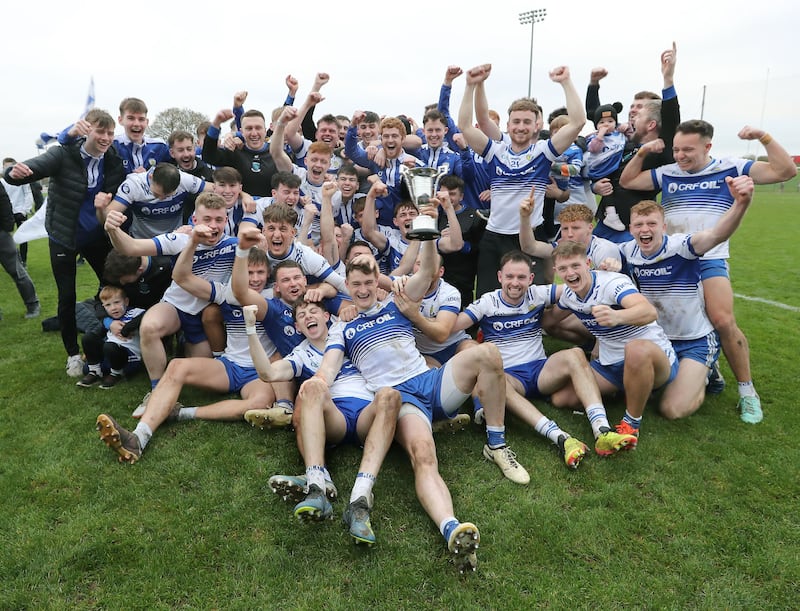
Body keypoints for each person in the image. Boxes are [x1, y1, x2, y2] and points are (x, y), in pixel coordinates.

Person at [312, 231, 530, 572]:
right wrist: (317, 386)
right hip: (401, 400)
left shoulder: (395, 302)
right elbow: (328, 365)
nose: (364, 289)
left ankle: (497, 444)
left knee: (486, 353)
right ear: (347, 286)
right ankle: (451, 527)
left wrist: (428, 229)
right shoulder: (344, 327)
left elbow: (427, 273)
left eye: (369, 281)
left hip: (431, 380)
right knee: (424, 456)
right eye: (356, 284)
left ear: (377, 281)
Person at [619, 119, 796, 423]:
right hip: (671, 257)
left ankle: (746, 391)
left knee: (723, 320)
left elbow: (786, 171)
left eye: (688, 149)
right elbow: (629, 181)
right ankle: (696, 368)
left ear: (708, 146)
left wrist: (763, 136)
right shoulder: (668, 173)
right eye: (676, 149)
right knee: (666, 317)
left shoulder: (731, 166)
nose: (680, 156)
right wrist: (643, 152)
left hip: (708, 255)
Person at [239, 286, 401, 546]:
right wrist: (249, 329)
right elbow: (268, 373)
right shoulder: (301, 353)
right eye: (301, 316)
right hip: (334, 416)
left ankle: (359, 500)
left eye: (313, 311)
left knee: (390, 395)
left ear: (327, 317)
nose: (308, 317)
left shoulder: (348, 330)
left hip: (366, 416)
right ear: (298, 327)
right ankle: (316, 487)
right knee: (313, 386)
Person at [95, 239, 276, 464]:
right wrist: (192, 241)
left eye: (260, 272)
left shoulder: (279, 294)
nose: (256, 278)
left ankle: (181, 413)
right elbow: (182, 277)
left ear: (269, 273)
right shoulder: (226, 292)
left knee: (258, 405)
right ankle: (138, 438)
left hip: (259, 373)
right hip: (229, 366)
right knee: (176, 366)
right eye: (249, 272)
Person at [454, 250, 635, 465]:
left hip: (541, 371)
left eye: (521, 277)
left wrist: (601, 272)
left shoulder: (537, 294)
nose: (515, 283)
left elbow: (576, 283)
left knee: (576, 354)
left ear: (531, 279)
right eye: (510, 276)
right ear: (500, 277)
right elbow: (452, 327)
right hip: (511, 377)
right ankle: (560, 437)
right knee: (497, 382)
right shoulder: (487, 302)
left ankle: (602, 431)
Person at [618, 175, 756, 419]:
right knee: (636, 388)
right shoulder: (626, 251)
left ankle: (707, 372)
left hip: (695, 339)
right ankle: (686, 375)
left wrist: (741, 203)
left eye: (651, 223)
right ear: (631, 229)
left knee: (672, 409)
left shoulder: (682, 246)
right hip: (659, 338)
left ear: (664, 227)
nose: (644, 229)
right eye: (638, 225)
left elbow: (716, 235)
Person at [4, 108, 125, 376]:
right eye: (100, 131)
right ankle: (72, 354)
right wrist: (15, 171)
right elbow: (25, 170)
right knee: (67, 295)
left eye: (109, 132)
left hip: (95, 235)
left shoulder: (112, 157)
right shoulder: (64, 154)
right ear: (86, 131)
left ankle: (114, 334)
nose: (105, 137)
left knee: (115, 282)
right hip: (64, 237)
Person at [457, 63, 586, 295]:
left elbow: (578, 122)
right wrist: (470, 86)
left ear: (537, 125)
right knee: (488, 297)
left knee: (530, 302)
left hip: (529, 237)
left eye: (527, 122)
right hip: (494, 235)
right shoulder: (496, 151)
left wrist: (566, 82)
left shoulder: (543, 152)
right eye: (516, 122)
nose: (521, 127)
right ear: (507, 126)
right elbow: (467, 125)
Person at [103, 192, 238, 414]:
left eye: (219, 220)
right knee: (150, 325)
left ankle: (183, 345)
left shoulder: (233, 245)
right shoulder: (180, 240)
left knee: (204, 378)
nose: (213, 226)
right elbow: (131, 248)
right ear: (194, 220)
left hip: (204, 317)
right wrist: (112, 230)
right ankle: (157, 391)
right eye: (207, 220)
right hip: (175, 307)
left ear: (226, 220)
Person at [549, 241, 679, 447]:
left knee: (635, 348)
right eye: (563, 268)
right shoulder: (569, 295)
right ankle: (629, 388)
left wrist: (617, 316)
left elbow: (649, 312)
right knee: (562, 399)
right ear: (556, 271)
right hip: (612, 362)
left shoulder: (612, 282)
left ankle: (631, 422)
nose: (570, 272)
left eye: (575, 265)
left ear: (588, 263)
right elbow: (548, 321)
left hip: (653, 359)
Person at [585, 42, 680, 243]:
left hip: (634, 231)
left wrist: (668, 79)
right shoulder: (625, 143)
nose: (632, 116)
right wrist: (595, 187)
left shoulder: (661, 150)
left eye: (639, 114)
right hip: (604, 226)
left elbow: (671, 120)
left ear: (652, 124)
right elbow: (597, 116)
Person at [58, 97, 170, 174]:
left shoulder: (160, 146)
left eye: (141, 119)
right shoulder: (111, 145)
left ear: (147, 122)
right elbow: (66, 142)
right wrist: (71, 132)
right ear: (120, 120)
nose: (136, 124)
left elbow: (175, 166)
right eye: (131, 118)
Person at [97, 162, 208, 238]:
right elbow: (107, 218)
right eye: (157, 194)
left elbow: (215, 189)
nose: (161, 199)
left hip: (174, 240)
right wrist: (101, 210)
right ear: (151, 177)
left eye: (168, 196)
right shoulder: (134, 184)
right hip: (142, 243)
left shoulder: (185, 179)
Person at [77, 285, 145, 389]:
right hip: (109, 354)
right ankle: (95, 371)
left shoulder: (136, 313)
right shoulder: (108, 319)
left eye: (117, 302)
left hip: (129, 357)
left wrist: (128, 328)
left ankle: (116, 373)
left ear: (126, 302)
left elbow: (148, 313)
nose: (113, 308)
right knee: (88, 337)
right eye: (108, 305)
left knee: (110, 346)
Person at [0, 181, 40, 318]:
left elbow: (4, 201)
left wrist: (7, 228)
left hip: (1, 234)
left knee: (16, 270)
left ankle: (33, 304)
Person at [584, 103, 626, 231]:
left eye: (610, 121)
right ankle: (611, 214)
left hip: (615, 167)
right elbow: (593, 148)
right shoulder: (593, 137)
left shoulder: (618, 135)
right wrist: (600, 136)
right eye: (601, 122)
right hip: (600, 170)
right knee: (607, 189)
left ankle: (612, 214)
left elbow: (630, 136)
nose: (606, 124)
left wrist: (625, 127)